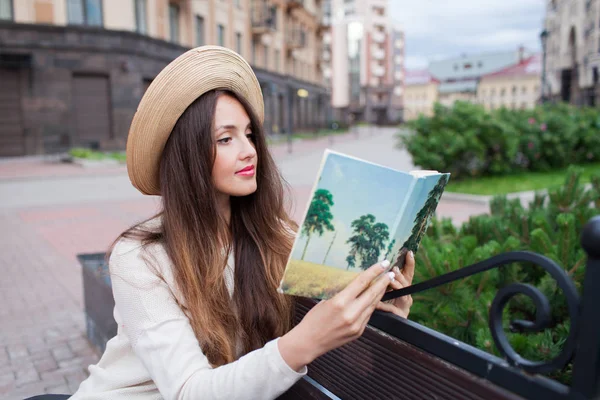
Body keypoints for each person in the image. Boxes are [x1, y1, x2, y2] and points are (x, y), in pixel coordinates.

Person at [70, 46, 414, 400]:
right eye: (225, 138)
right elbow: (191, 392)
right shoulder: (139, 258)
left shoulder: (278, 237)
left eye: (249, 134)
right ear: (187, 156)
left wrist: (385, 314)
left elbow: (328, 347)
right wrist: (303, 341)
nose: (249, 150)